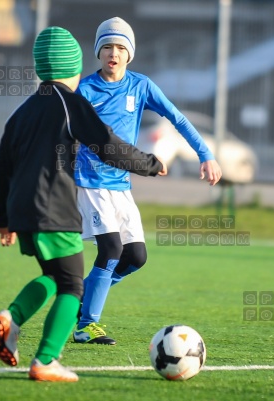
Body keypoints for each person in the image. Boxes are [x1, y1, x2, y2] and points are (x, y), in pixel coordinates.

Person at [0, 26, 166, 382]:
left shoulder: (22, 112)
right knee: (73, 287)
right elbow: (107, 145)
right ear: (73, 68)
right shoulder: (71, 104)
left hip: (23, 212)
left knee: (55, 277)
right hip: (54, 210)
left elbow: (0, 166)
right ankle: (45, 360)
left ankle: (12, 319)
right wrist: (149, 163)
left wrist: (2, 219)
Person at [73, 17, 222, 345]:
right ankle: (86, 326)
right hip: (90, 181)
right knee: (111, 248)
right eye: (108, 46)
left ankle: (80, 299)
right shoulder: (84, 89)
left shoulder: (141, 86)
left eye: (121, 47)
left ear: (130, 54)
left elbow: (177, 118)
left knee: (136, 257)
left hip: (121, 186)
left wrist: (205, 154)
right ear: (98, 52)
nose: (114, 53)